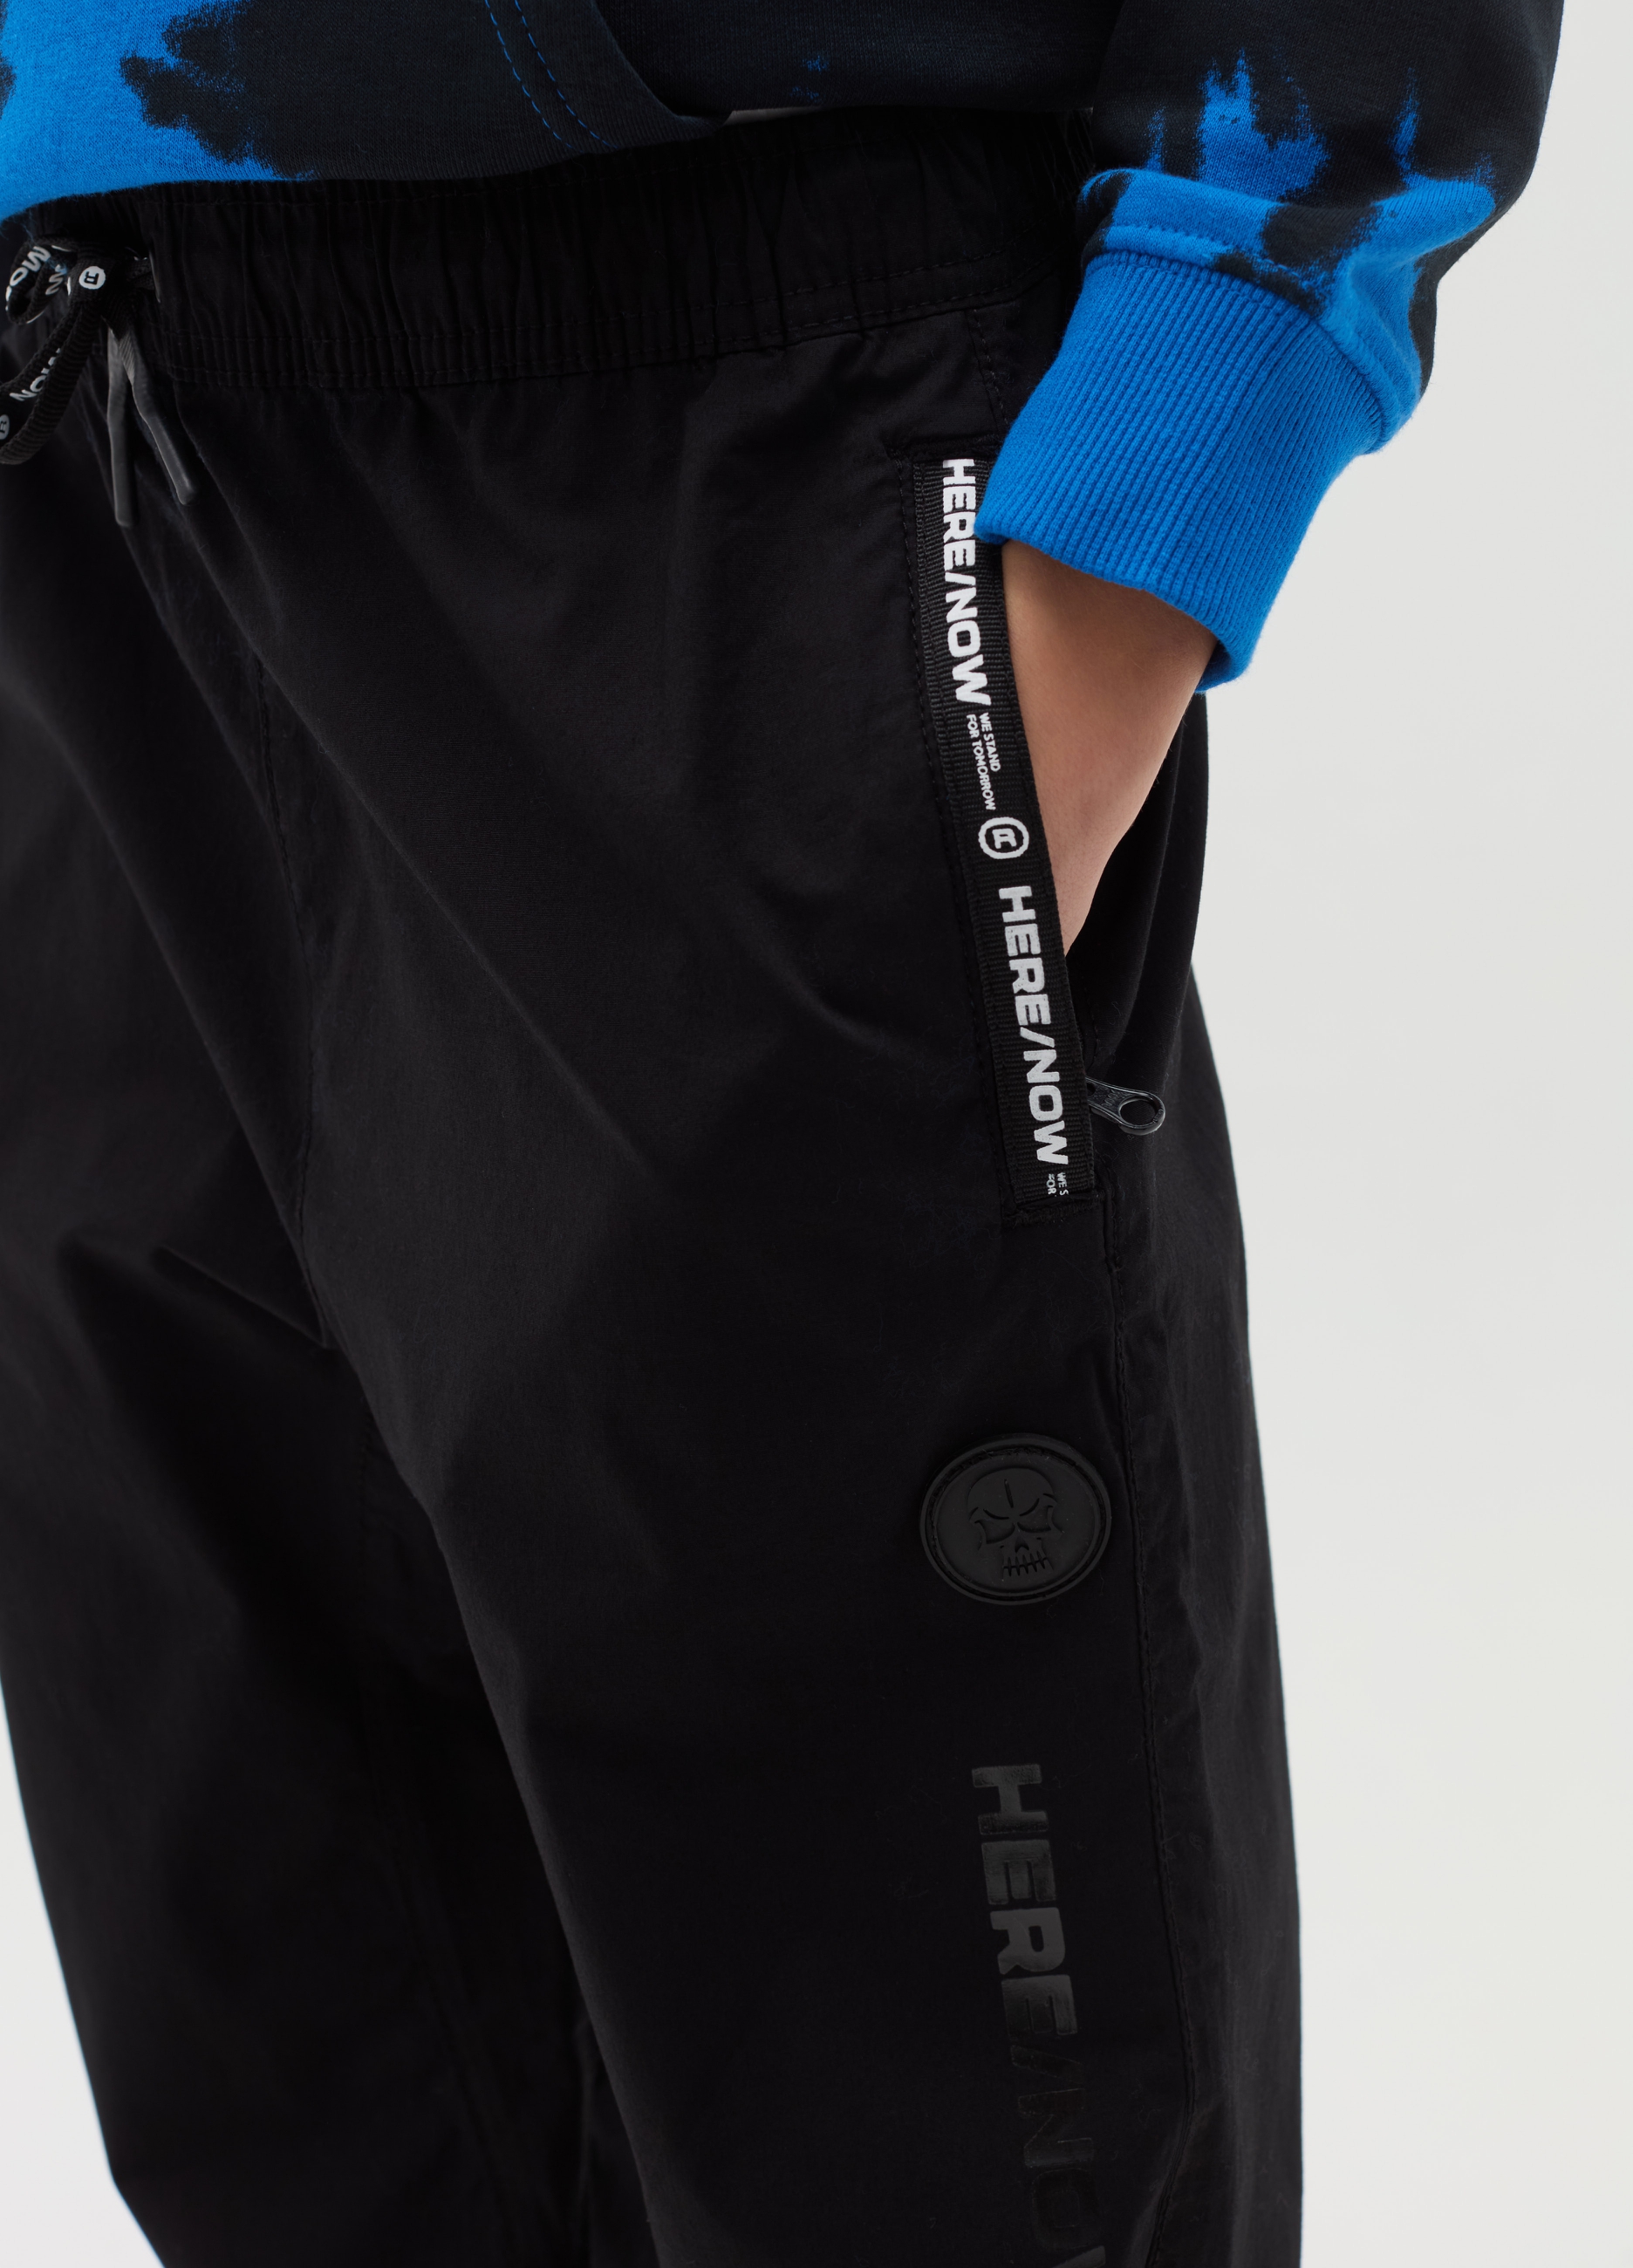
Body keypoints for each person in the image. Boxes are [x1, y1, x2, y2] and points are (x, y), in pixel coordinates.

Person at [0, 8, 1559, 2265]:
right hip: (76, 446)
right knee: (299, 2102)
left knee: (937, 2155)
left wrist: (1201, 390)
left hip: (719, 410)